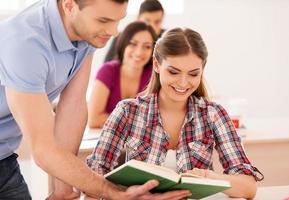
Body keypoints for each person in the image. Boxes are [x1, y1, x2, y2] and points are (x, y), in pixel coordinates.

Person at [0, 0, 191, 199]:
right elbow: (44, 151)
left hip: (5, 159)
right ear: (69, 6)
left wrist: (63, 189)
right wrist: (112, 192)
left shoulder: (84, 32)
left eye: (118, 20)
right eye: (103, 20)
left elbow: (72, 107)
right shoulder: (25, 43)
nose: (113, 31)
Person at [86, 28, 264, 199]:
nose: (183, 83)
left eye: (193, 74)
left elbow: (248, 187)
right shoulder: (127, 111)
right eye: (173, 72)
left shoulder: (213, 114)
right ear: (156, 65)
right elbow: (95, 177)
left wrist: (212, 178)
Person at [88, 21, 156, 128]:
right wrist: (136, 121)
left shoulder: (154, 75)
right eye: (133, 44)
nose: (139, 52)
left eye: (147, 47)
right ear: (123, 44)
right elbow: (94, 120)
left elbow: (156, 120)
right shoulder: (107, 71)